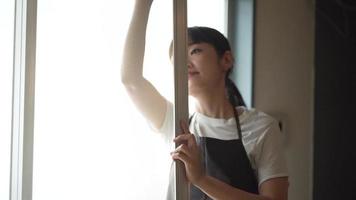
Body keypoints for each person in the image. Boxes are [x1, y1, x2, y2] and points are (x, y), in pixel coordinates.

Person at [121, 1, 289, 199]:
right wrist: (142, 5)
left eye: (194, 51)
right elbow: (131, 80)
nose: (184, 63)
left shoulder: (262, 127)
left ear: (226, 60)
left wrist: (201, 179)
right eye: (177, 59)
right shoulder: (176, 123)